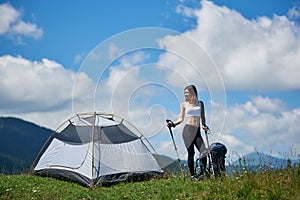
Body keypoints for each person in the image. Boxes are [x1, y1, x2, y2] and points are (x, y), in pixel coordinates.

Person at [167, 84, 209, 181]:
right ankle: (192, 176)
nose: (185, 95)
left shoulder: (200, 104)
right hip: (188, 130)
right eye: (184, 93)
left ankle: (203, 172)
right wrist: (173, 124)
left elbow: (203, 118)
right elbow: (181, 119)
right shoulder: (184, 104)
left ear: (193, 93)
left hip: (197, 131)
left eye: (187, 93)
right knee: (191, 153)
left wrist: (204, 125)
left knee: (204, 152)